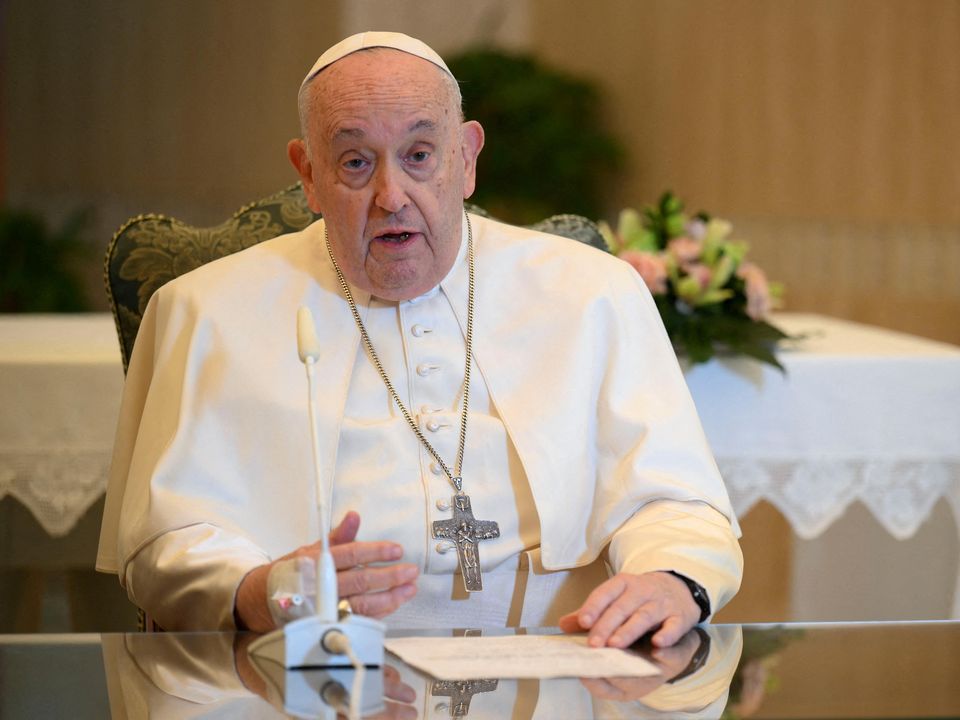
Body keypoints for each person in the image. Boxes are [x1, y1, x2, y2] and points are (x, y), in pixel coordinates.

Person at [97, 31, 742, 650]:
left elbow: (676, 501)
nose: (390, 195)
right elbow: (163, 543)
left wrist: (670, 577)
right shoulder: (207, 311)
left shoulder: (593, 293)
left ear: (466, 158)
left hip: (559, 667)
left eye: (419, 155)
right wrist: (258, 591)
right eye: (355, 162)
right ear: (309, 174)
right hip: (314, 679)